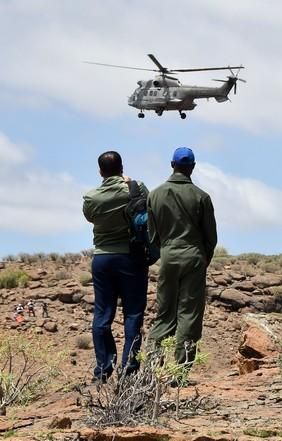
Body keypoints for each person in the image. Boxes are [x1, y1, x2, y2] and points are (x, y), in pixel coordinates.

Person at [147, 147, 217, 366]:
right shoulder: (202, 197)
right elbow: (211, 237)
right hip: (195, 256)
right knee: (189, 313)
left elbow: (152, 234)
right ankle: (181, 369)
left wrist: (166, 249)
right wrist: (203, 258)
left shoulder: (155, 194)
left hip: (168, 255)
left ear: (172, 165)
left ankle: (153, 367)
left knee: (165, 311)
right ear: (193, 168)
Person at [83, 151, 149, 382]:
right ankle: (129, 372)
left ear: (100, 171)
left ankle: (103, 370)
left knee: (102, 315)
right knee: (132, 314)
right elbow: (146, 212)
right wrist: (129, 185)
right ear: (122, 167)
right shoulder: (136, 187)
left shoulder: (91, 198)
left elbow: (90, 218)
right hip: (131, 257)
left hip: (102, 259)